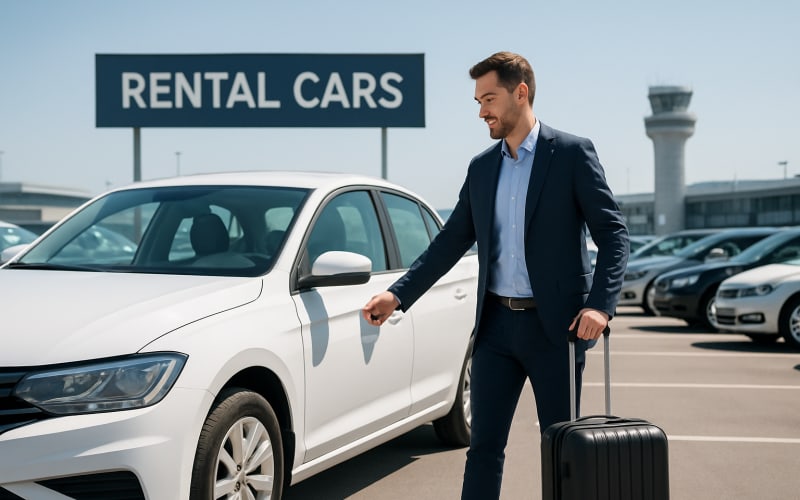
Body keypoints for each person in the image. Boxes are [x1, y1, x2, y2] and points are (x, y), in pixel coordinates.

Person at [362, 51, 629, 499]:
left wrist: (600, 306)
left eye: (489, 99)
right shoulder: (482, 167)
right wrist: (398, 294)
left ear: (520, 93)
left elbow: (614, 234)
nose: (481, 111)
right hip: (495, 330)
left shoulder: (570, 154)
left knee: (561, 449)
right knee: (483, 449)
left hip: (556, 330)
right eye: (478, 101)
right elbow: (450, 241)